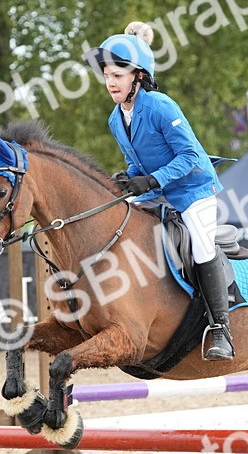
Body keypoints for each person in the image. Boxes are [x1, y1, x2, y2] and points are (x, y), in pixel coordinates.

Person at [84, 21, 233, 361]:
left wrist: (150, 181)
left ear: (138, 76)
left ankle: (220, 328)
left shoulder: (161, 105)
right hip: (157, 190)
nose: (110, 82)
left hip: (194, 189)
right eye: (107, 75)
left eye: (117, 75)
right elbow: (136, 161)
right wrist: (130, 178)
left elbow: (191, 156)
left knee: (200, 245)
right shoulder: (114, 118)